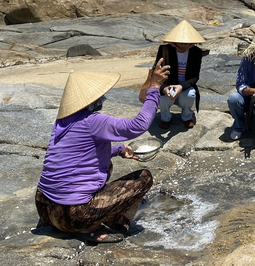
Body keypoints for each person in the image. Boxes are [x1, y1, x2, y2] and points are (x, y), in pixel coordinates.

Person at [35, 61, 170, 244]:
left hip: (44, 208)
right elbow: (138, 126)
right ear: (92, 99)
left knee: (108, 165)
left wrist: (117, 150)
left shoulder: (63, 121)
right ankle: (96, 226)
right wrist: (154, 88)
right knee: (144, 177)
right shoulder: (94, 121)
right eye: (100, 95)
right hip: (73, 216)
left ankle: (72, 220)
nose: (103, 98)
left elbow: (77, 152)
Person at [152, 20, 206, 129]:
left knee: (190, 95)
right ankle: (165, 117)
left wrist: (181, 87)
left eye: (186, 42)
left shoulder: (196, 52)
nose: (183, 44)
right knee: (164, 97)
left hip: (185, 85)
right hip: (168, 84)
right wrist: (163, 88)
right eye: (180, 42)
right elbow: (156, 72)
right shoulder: (165, 50)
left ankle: (186, 116)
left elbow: (195, 76)